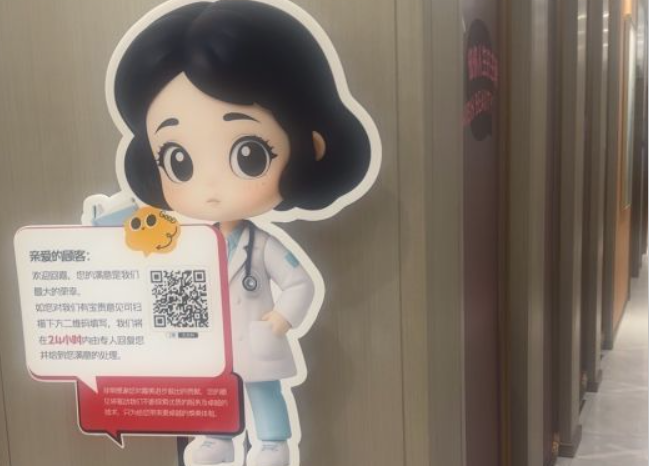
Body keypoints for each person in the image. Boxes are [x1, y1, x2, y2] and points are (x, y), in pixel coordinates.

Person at [110, 1, 378, 464]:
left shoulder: (262, 245)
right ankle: (217, 438)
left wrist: (280, 320)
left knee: (263, 392)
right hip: (206, 345)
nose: (211, 188)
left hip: (257, 339)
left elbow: (300, 283)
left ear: (310, 145)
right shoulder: (182, 242)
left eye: (249, 155)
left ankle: (272, 442)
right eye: (178, 160)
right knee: (214, 390)